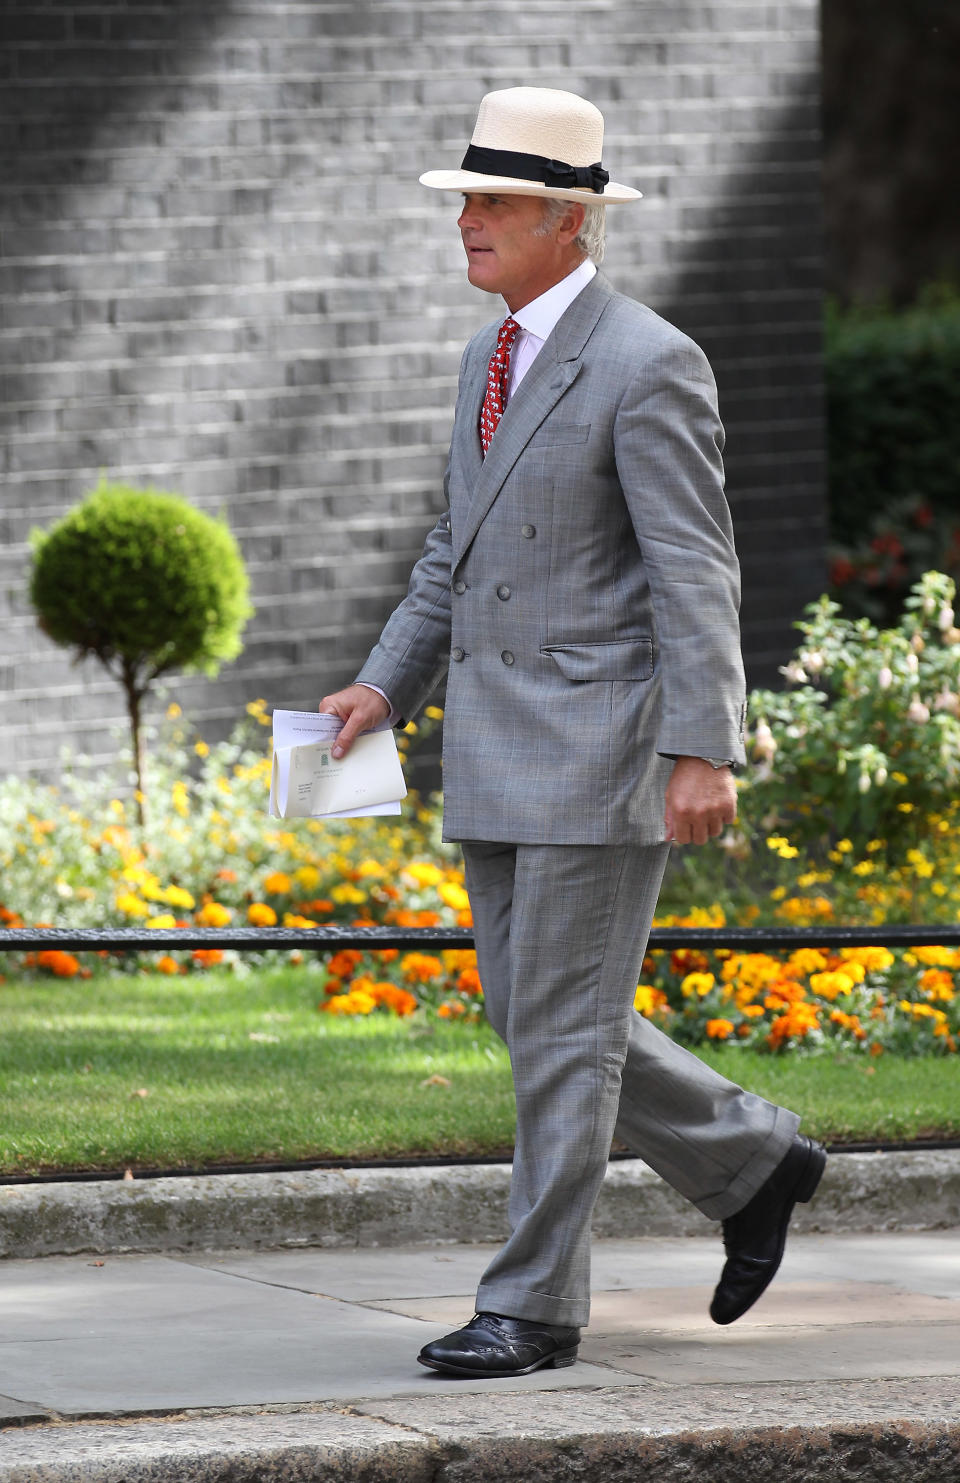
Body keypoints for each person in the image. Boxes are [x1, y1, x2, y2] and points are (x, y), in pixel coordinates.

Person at [320, 86, 825, 1379]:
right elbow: (453, 552)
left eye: (491, 203)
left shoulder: (652, 360)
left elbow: (695, 572)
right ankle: (752, 1156)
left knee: (557, 1036)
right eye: (466, 203)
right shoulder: (487, 360)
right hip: (493, 748)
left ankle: (533, 1306)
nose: (468, 225)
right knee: (541, 1017)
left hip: (602, 756)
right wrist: (382, 690)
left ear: (566, 219)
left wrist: (704, 747)